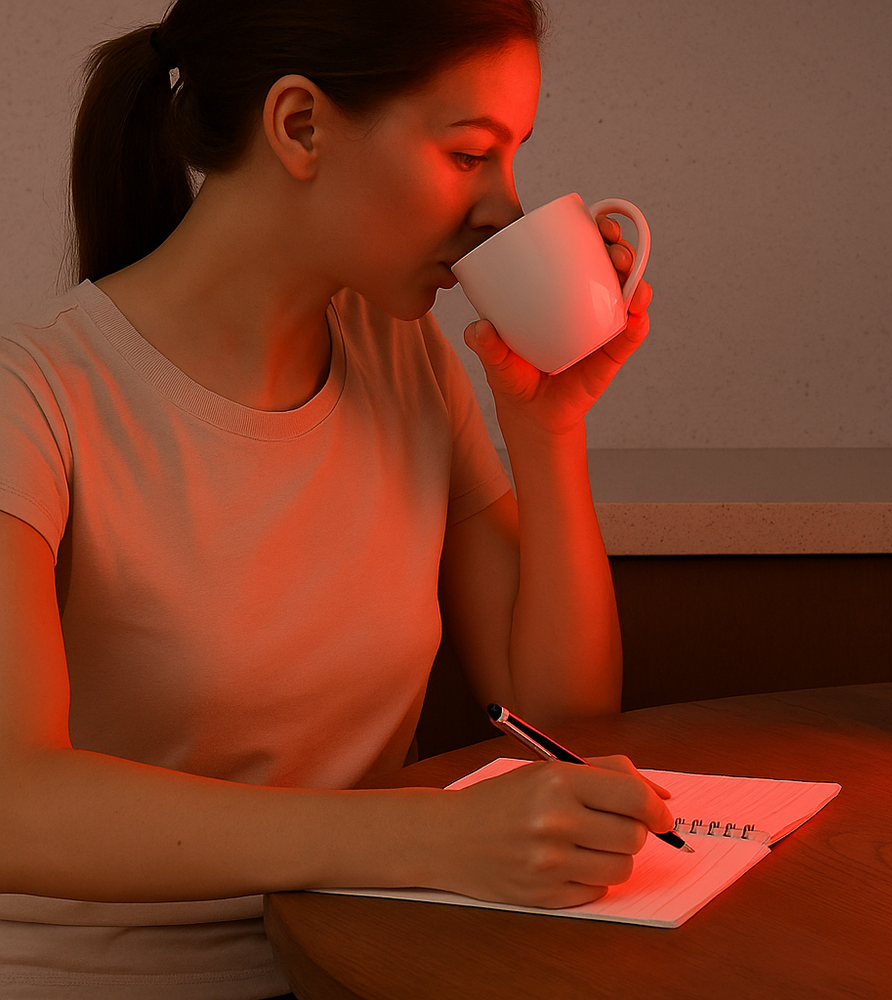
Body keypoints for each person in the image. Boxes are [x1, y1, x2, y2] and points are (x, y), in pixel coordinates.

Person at [0, 1, 672, 996]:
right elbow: (18, 801)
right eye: (468, 155)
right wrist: (427, 837)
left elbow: (561, 714)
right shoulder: (36, 395)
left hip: (352, 961)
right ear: (301, 126)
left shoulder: (405, 357)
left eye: (511, 157)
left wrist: (548, 426)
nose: (503, 206)